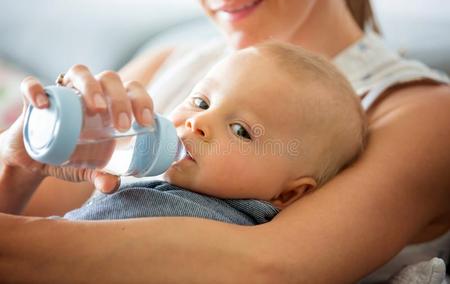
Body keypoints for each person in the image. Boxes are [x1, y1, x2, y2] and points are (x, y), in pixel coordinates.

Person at [0, 0, 449, 283]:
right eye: (199, 104)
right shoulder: (169, 61)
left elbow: (262, 268)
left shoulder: (422, 112)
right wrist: (18, 162)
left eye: (240, 130)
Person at [62, 42, 366, 222]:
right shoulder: (155, 185)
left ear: (288, 193)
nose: (199, 122)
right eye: (201, 102)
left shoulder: (208, 227)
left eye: (240, 130)